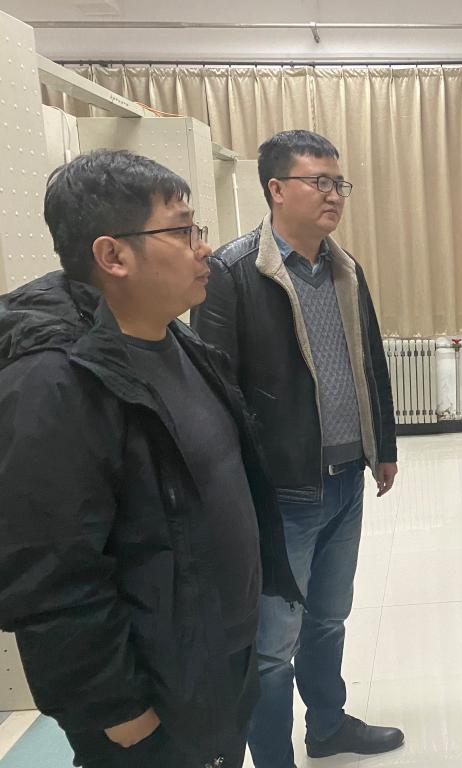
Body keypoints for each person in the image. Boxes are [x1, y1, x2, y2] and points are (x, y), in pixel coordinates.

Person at [0, 149, 302, 768]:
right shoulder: (55, 384)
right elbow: (49, 573)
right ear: (113, 255)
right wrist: (118, 708)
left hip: (213, 656)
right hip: (148, 698)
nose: (204, 249)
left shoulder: (178, 341)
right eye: (183, 230)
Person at [191, 129, 402, 767]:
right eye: (320, 182)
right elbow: (216, 390)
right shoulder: (232, 272)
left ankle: (328, 726)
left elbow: (370, 360)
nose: (334, 194)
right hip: (283, 489)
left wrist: (383, 445)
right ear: (277, 189)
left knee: (329, 618)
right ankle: (273, 757)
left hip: (346, 477)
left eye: (339, 183)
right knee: (272, 643)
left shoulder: (345, 267)